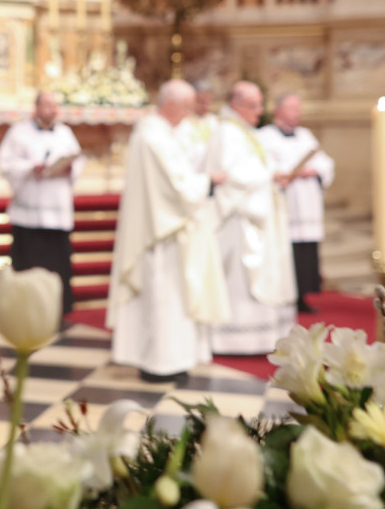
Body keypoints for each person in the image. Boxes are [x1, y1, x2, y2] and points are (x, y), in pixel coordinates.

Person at [107, 80, 225, 382]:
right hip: (160, 234)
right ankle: (159, 362)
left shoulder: (163, 132)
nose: (189, 114)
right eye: (186, 107)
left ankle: (177, 358)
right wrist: (209, 181)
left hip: (170, 228)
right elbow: (177, 187)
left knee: (175, 297)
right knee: (163, 297)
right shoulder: (152, 136)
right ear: (170, 104)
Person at [206, 81, 296, 354]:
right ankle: (235, 338)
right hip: (239, 220)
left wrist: (274, 174)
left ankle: (262, 336)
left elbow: (256, 167)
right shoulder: (225, 132)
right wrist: (269, 177)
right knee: (241, 281)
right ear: (237, 105)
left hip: (255, 215)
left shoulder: (245, 131)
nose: (260, 111)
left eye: (260, 104)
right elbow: (230, 176)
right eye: (254, 105)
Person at [0, 91, 84, 313]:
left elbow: (78, 159)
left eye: (55, 106)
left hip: (57, 209)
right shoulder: (18, 132)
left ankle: (59, 305)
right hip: (30, 211)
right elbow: (5, 163)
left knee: (58, 260)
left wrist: (70, 167)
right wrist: (30, 168)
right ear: (36, 107)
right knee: (28, 259)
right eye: (47, 105)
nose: (52, 110)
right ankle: (22, 307)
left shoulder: (65, 133)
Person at [258, 93, 335, 315]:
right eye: (292, 108)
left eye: (298, 108)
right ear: (279, 110)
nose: (297, 113)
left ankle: (304, 295)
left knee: (307, 252)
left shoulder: (305, 136)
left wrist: (316, 170)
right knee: (287, 251)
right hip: (287, 203)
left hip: (308, 203)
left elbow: (324, 162)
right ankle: (286, 295)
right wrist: (289, 171)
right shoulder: (265, 136)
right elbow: (267, 166)